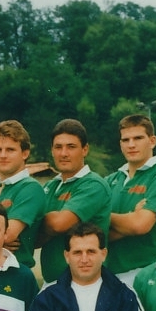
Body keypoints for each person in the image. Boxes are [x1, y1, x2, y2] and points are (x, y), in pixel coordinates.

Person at [105, 115, 156, 285]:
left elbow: (140, 225)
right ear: (120, 144)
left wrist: (105, 217)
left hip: (148, 273)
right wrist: (131, 216)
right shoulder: (110, 181)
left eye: (138, 138)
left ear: (152, 141)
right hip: (110, 275)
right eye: (126, 140)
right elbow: (95, 232)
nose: (131, 144)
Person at [38, 119, 111, 283]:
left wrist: (36, 221)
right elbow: (35, 239)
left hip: (83, 284)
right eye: (58, 147)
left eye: (71, 147)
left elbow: (60, 224)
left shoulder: (93, 184)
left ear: (85, 150)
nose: (63, 153)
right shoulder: (51, 185)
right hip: (52, 283)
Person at [0, 120, 46, 270]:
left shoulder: (30, 188)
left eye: (10, 150)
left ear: (25, 153)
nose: (3, 155)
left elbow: (8, 235)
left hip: (13, 272)